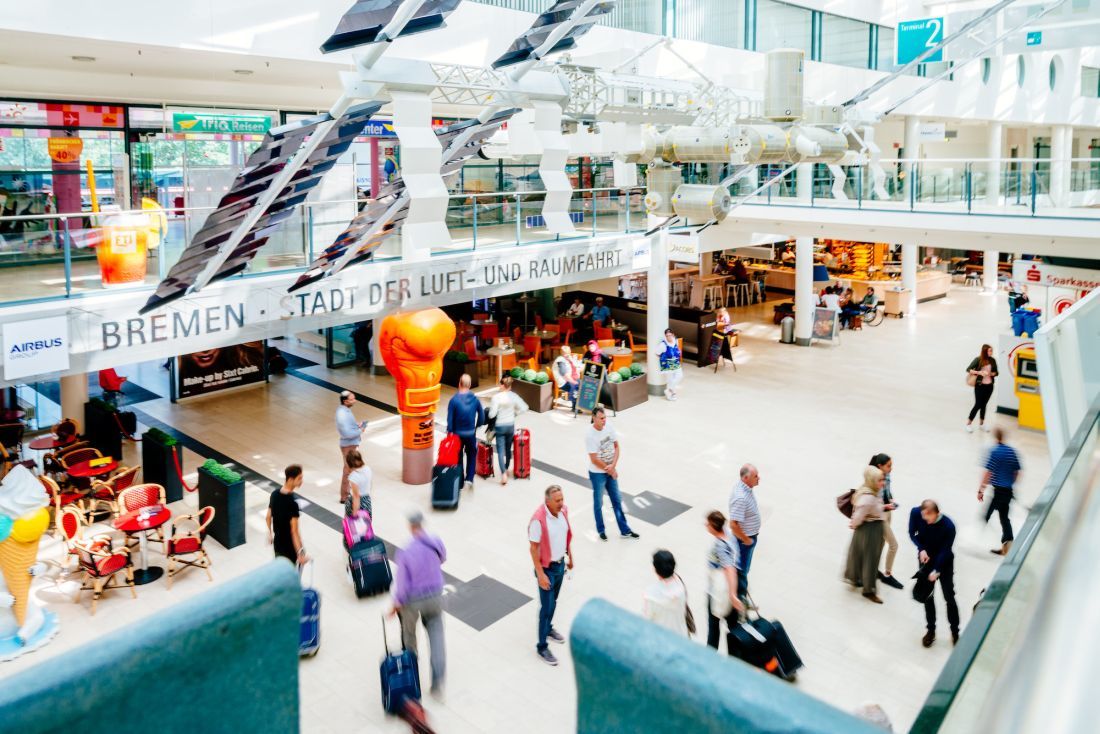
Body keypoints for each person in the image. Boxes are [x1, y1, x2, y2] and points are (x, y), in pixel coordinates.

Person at [392, 510, 447, 696]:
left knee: (409, 635)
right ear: (422, 524)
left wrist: (396, 604)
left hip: (413, 600)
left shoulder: (405, 552)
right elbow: (443, 558)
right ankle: (437, 682)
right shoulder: (435, 541)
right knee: (436, 636)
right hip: (435, 596)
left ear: (410, 526)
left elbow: (402, 585)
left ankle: (411, 676)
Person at [529, 486, 574, 666]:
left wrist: (570, 557)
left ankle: (548, 628)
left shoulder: (563, 511)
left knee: (554, 601)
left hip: (560, 564)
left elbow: (565, 536)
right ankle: (541, 647)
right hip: (546, 569)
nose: (561, 503)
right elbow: (533, 549)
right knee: (546, 607)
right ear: (547, 501)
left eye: (562, 499)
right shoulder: (538, 521)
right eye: (557, 501)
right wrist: (540, 574)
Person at [909, 500, 960, 647]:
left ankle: (955, 631)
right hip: (926, 560)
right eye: (923, 516)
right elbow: (912, 533)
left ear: (936, 513)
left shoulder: (949, 526)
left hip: (944, 564)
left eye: (928, 517)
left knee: (949, 596)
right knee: (928, 597)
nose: (925, 520)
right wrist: (921, 549)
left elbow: (946, 550)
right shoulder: (916, 513)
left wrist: (937, 570)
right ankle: (931, 630)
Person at [586, 407, 639, 541]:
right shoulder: (590, 435)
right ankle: (601, 530)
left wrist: (613, 466)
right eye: (601, 418)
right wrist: (610, 469)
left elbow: (616, 446)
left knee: (617, 500)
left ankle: (625, 530)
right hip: (597, 474)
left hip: (610, 470)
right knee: (598, 503)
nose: (604, 420)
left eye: (605, 417)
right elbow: (594, 459)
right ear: (594, 418)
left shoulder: (609, 426)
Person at [845, 466, 887, 603]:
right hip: (870, 531)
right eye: (880, 480)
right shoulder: (868, 498)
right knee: (871, 560)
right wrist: (854, 523)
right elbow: (858, 515)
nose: (883, 483)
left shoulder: (871, 491)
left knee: (858, 554)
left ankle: (855, 579)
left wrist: (884, 507)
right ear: (872, 480)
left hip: (869, 528)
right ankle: (868, 590)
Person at [704, 510, 744, 652]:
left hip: (719, 593)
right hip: (732, 590)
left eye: (708, 524)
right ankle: (736, 655)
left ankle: (710, 658)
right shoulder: (728, 534)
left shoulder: (720, 546)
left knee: (714, 629)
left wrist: (732, 595)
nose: (705, 525)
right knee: (733, 627)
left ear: (714, 526)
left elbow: (729, 569)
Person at [980, 427, 1022, 556]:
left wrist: (981, 489)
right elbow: (1016, 472)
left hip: (998, 491)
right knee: (1004, 518)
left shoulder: (994, 451)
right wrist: (1010, 484)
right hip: (1007, 491)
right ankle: (1007, 545)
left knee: (985, 516)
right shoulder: (1011, 451)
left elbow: (988, 472)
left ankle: (979, 541)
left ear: (995, 437)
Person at [445, 373, 486, 489]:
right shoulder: (475, 399)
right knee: (472, 454)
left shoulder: (453, 400)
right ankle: (470, 479)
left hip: (457, 434)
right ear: (469, 385)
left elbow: (450, 420)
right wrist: (476, 426)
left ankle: (460, 481)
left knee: (458, 457)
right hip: (470, 433)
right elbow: (482, 416)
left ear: (459, 383)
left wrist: (450, 433)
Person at [870, 454, 903, 590]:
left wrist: (890, 500)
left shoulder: (887, 475)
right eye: (888, 466)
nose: (891, 468)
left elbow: (887, 492)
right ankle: (887, 575)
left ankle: (874, 570)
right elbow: (871, 503)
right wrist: (885, 506)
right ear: (879, 467)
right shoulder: (873, 480)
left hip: (888, 511)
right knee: (893, 545)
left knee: (882, 542)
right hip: (880, 515)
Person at [728, 464, 761, 597]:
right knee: (742, 570)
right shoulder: (741, 497)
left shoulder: (746, 488)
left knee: (743, 569)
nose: (759, 478)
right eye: (755, 476)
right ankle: (740, 598)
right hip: (744, 541)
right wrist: (747, 540)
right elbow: (733, 524)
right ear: (746, 478)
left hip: (748, 538)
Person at [488, 376, 528, 485]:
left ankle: (503, 473)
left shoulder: (496, 397)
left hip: (500, 426)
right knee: (507, 449)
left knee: (500, 451)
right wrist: (514, 414)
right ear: (510, 386)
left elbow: (492, 415)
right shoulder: (514, 396)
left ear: (502, 385)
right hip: (510, 426)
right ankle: (506, 466)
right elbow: (525, 407)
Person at [267, 464, 309, 566]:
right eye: (299, 478)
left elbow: (268, 516)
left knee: (279, 571)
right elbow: (294, 531)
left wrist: (270, 533)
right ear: (290, 479)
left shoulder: (274, 494)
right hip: (289, 548)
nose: (301, 481)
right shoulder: (292, 503)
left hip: (278, 544)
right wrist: (300, 553)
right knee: (289, 575)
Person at [642, 550, 690, 636]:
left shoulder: (650, 594)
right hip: (681, 635)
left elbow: (646, 620)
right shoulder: (680, 584)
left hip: (662, 638)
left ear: (655, 570)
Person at [335, 390, 367, 504]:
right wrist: (360, 430)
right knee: (348, 470)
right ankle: (345, 496)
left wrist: (355, 425)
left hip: (350, 444)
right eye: (352, 399)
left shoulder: (344, 410)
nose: (355, 401)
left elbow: (348, 427)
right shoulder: (342, 414)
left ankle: (350, 493)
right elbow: (346, 434)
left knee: (350, 469)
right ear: (345, 401)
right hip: (348, 445)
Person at [965, 344, 998, 432]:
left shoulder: (992, 360)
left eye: (992, 350)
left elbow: (996, 372)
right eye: (989, 351)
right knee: (978, 404)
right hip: (980, 385)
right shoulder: (978, 360)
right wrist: (979, 372)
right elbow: (968, 369)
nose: (991, 352)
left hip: (990, 386)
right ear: (985, 351)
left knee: (984, 405)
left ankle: (982, 424)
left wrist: (991, 374)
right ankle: (968, 423)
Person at [654, 328, 683, 401]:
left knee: (679, 376)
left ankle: (668, 390)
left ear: (673, 335)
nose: (668, 337)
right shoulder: (663, 344)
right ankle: (672, 394)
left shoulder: (675, 341)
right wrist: (664, 359)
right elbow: (657, 353)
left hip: (676, 363)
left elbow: (677, 349)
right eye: (667, 336)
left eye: (670, 335)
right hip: (668, 365)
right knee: (670, 379)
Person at [551, 345, 581, 411]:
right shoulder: (560, 361)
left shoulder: (567, 359)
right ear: (562, 353)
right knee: (577, 386)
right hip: (564, 382)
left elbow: (576, 367)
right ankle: (575, 407)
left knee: (583, 384)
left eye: (568, 353)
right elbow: (564, 374)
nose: (567, 355)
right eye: (565, 353)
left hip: (570, 379)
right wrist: (573, 381)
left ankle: (579, 404)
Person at [344, 449, 372, 518]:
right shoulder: (367, 469)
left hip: (357, 503)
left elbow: (356, 497)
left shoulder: (354, 476)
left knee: (352, 527)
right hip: (367, 500)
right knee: (365, 525)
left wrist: (354, 514)